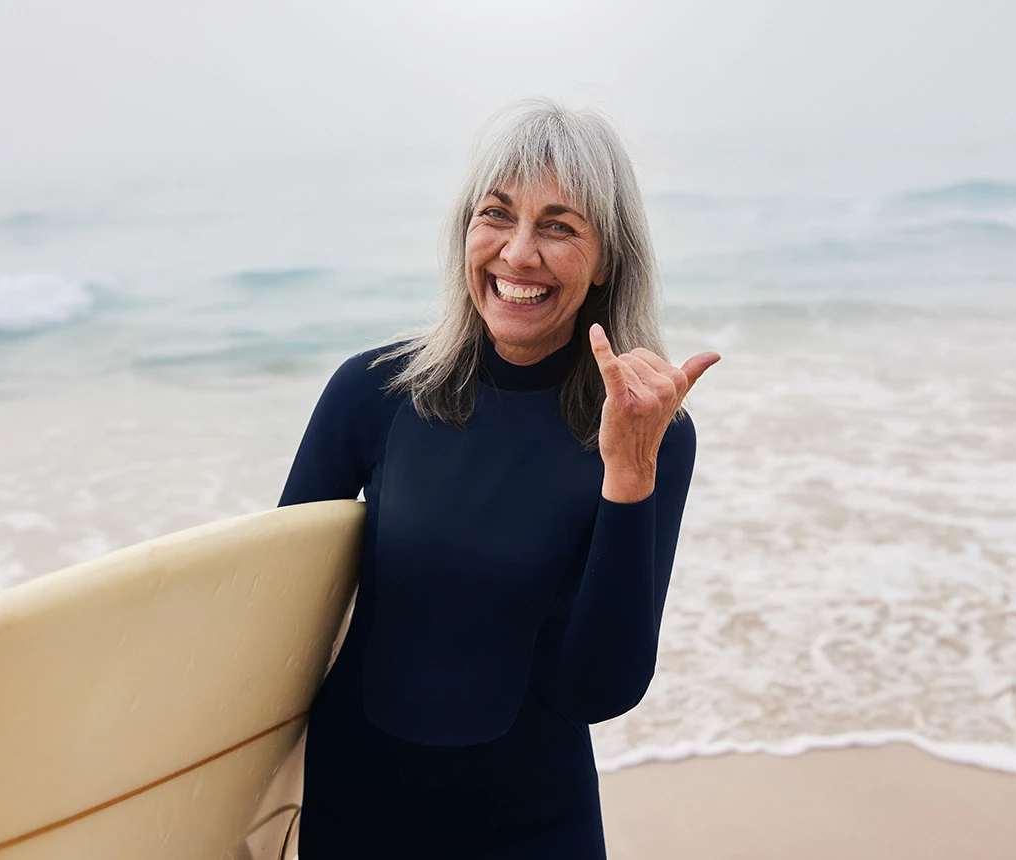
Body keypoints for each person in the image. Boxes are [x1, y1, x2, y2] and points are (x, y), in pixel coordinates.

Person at [277, 98, 720, 859]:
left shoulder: (647, 432)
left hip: (536, 826)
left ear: (606, 258)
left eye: (559, 225)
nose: (518, 254)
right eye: (496, 215)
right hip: (356, 814)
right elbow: (273, 617)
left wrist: (627, 474)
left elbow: (602, 692)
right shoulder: (373, 392)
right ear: (465, 234)